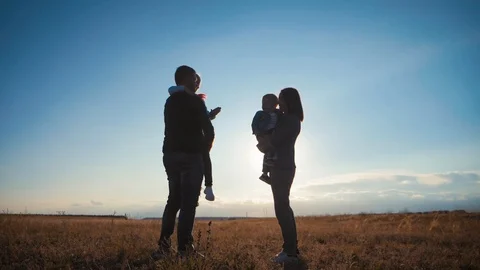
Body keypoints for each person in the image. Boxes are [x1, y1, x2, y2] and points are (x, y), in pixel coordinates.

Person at [152, 65, 214, 259]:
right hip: (191, 156)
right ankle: (185, 250)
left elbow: (182, 125)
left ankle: (163, 247)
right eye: (195, 78)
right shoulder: (195, 102)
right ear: (185, 78)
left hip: (170, 155)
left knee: (173, 201)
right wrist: (205, 150)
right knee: (188, 204)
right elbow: (208, 130)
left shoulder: (170, 101)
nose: (197, 82)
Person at [263, 87, 303, 264]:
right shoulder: (286, 119)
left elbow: (276, 141)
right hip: (280, 166)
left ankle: (290, 252)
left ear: (289, 100)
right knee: (283, 207)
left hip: (283, 167)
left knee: (282, 208)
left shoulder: (291, 120)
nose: (278, 103)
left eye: (281, 99)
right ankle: (291, 248)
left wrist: (263, 142)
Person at [167, 74, 221, 201]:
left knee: (205, 160)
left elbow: (204, 117)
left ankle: (208, 186)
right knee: (182, 196)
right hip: (187, 145)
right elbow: (172, 89)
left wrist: (212, 115)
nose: (197, 84)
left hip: (196, 141)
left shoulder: (197, 101)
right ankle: (207, 186)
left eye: (199, 82)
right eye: (195, 81)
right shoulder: (178, 96)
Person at [251, 93, 280, 184]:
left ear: (275, 105)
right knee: (268, 149)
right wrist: (256, 132)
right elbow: (254, 123)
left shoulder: (278, 113)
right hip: (264, 133)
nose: (264, 106)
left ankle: (264, 173)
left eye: (268, 104)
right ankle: (266, 169)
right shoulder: (260, 113)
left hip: (273, 133)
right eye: (263, 103)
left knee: (270, 151)